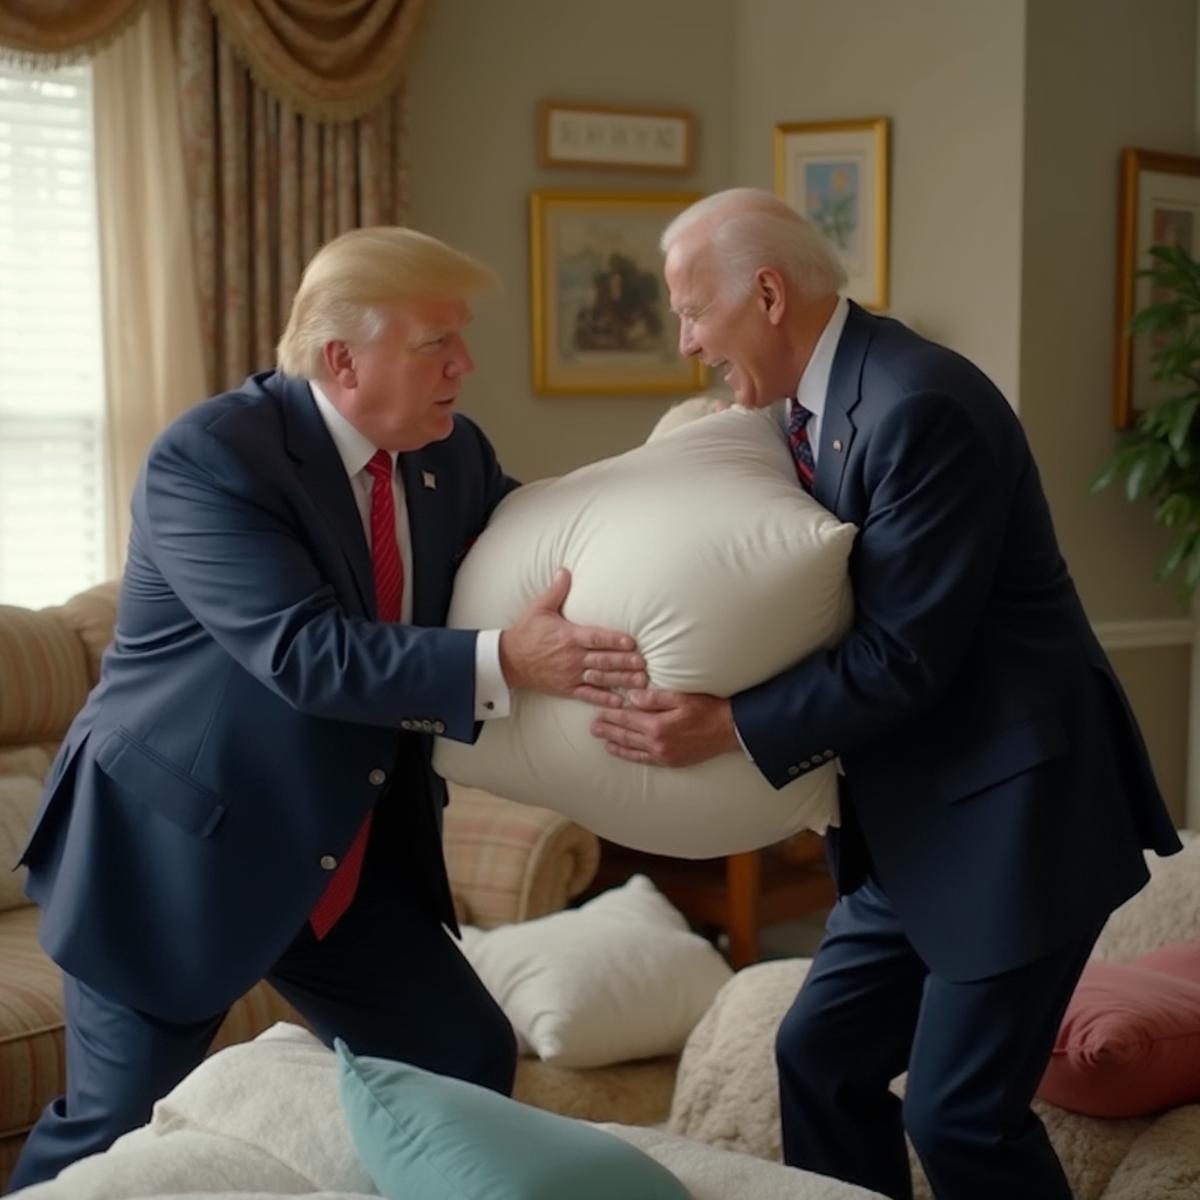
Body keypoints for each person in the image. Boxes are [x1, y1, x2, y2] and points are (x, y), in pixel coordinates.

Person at [8, 226, 646, 1192]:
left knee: (463, 1058)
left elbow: (544, 536)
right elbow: (303, 653)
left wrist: (673, 470)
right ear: (343, 360)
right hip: (174, 849)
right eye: (439, 344)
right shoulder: (211, 459)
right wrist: (508, 660)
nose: (465, 366)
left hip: (338, 858)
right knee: (115, 1137)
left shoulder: (449, 454)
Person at [590, 188, 1182, 1200]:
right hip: (916, 825)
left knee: (960, 1117)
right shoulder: (810, 409)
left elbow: (907, 656)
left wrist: (727, 725)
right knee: (818, 1058)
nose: (686, 341)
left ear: (768, 294)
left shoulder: (920, 406)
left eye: (693, 311)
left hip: (1016, 817)